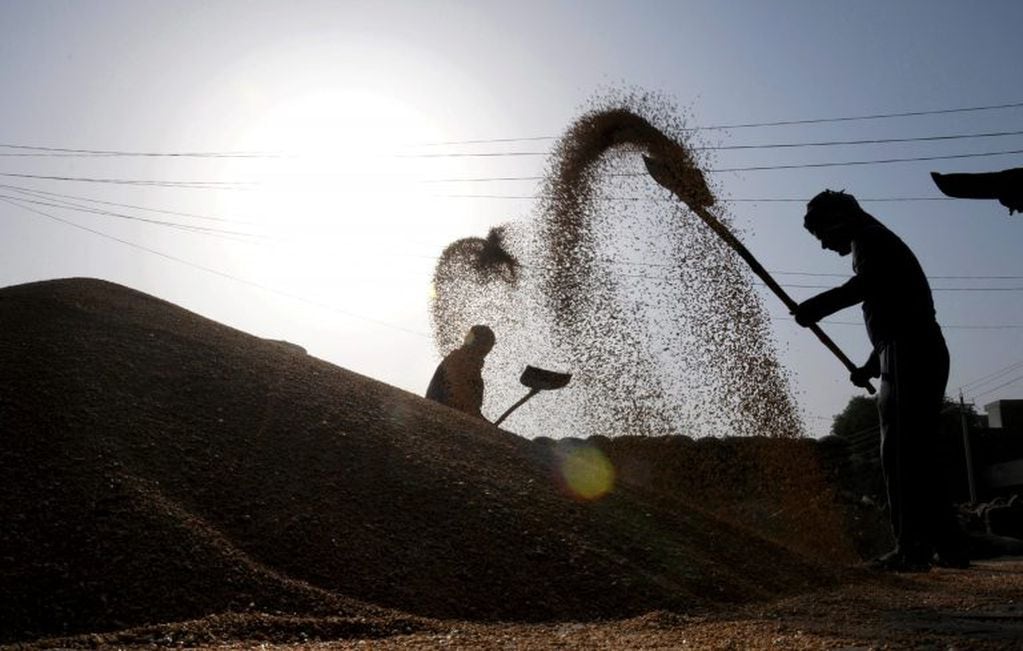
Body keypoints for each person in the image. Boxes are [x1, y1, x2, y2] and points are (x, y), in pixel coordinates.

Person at [792, 189, 967, 572]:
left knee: (901, 453)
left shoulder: (869, 239)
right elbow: (899, 310)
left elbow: (867, 288)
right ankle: (949, 546)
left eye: (822, 235)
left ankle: (911, 550)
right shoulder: (876, 239)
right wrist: (871, 366)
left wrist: (815, 308)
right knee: (918, 453)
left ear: (839, 218)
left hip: (909, 351)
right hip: (907, 349)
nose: (823, 245)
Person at [425, 324, 495, 420]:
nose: (485, 353)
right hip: (441, 419)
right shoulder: (458, 361)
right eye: (486, 346)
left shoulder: (471, 370)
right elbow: (462, 403)